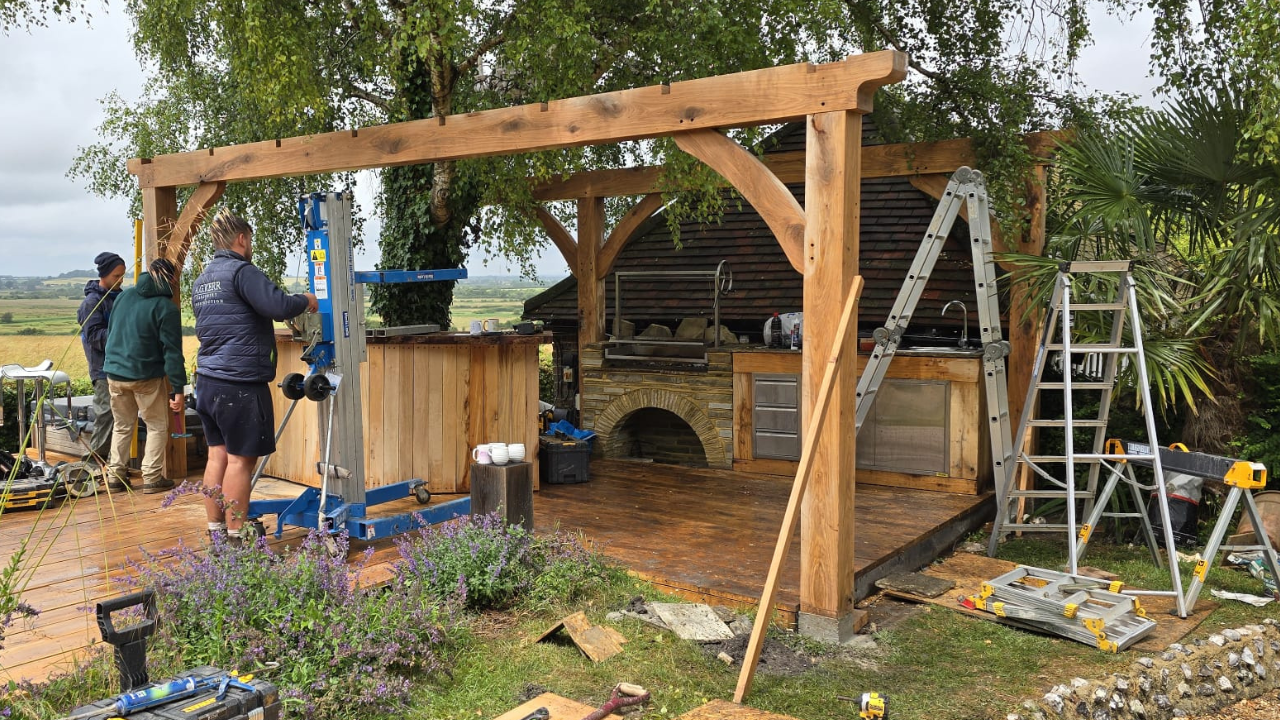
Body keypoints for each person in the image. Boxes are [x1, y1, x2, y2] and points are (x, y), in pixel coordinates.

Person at [192, 208, 317, 543]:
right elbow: (277, 305)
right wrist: (306, 300)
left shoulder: (203, 280)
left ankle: (217, 532)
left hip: (207, 380)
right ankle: (237, 539)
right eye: (251, 240)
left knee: (216, 455)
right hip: (239, 383)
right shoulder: (240, 271)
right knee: (239, 462)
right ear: (242, 238)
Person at [102, 258, 187, 494]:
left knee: (122, 425)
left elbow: (112, 333)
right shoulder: (166, 307)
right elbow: (172, 351)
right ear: (171, 279)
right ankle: (151, 477)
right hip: (144, 376)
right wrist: (178, 388)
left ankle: (115, 476)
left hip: (114, 373)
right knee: (157, 425)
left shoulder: (123, 297)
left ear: (148, 273)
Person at [77, 252, 126, 465]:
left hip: (123, 367)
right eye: (117, 276)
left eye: (123, 275)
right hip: (103, 369)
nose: (121, 280)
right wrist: (126, 333)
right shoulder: (92, 303)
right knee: (106, 415)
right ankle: (91, 465)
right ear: (104, 275)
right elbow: (95, 337)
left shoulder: (120, 297)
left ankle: (113, 465)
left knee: (121, 418)